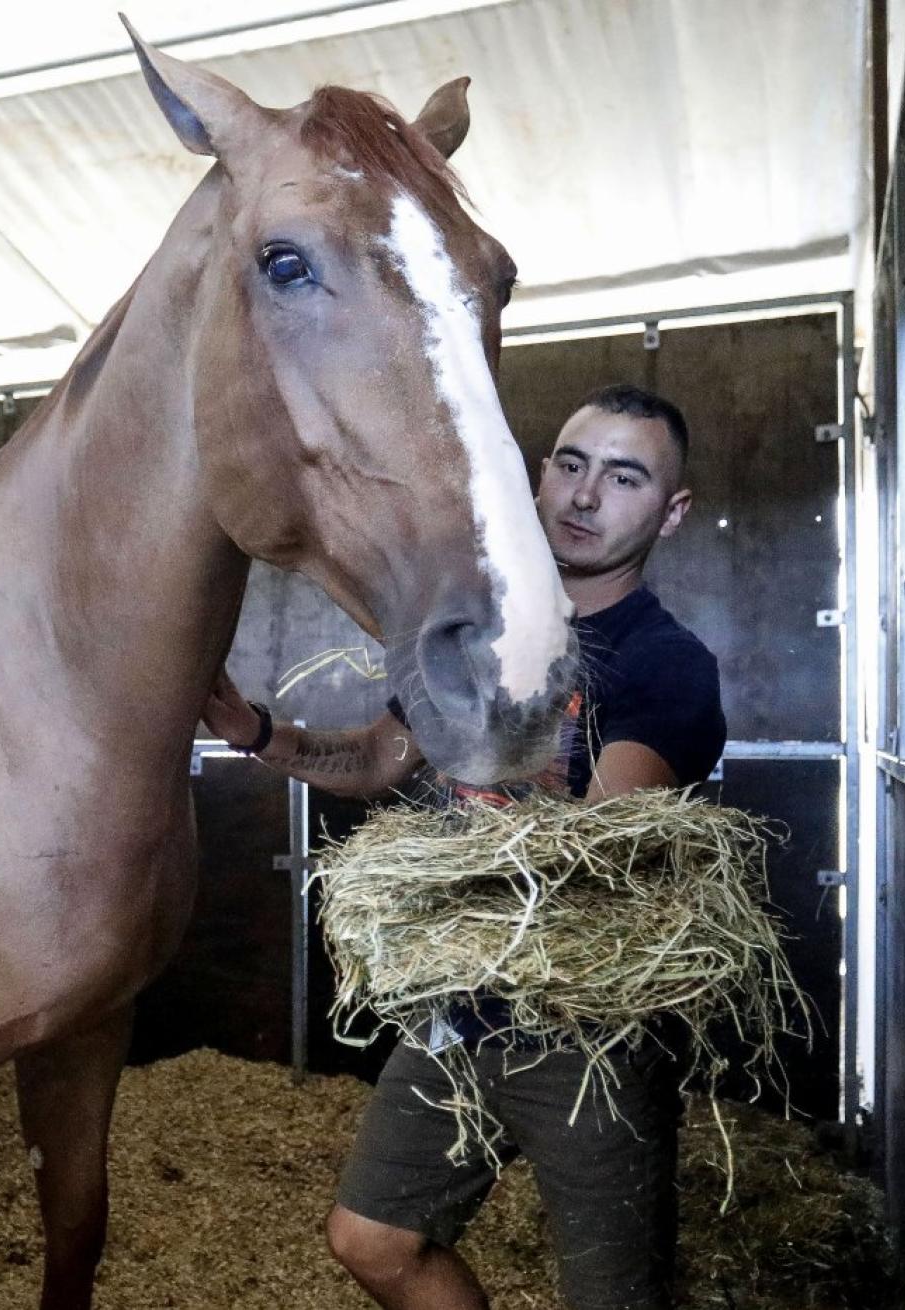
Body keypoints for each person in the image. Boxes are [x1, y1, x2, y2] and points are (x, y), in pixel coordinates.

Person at [204, 383, 726, 1310]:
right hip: (461, 1011)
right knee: (372, 1238)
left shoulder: (664, 663)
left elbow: (596, 835)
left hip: (587, 1029)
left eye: (625, 476)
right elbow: (377, 758)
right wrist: (256, 732)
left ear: (672, 511)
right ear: (539, 476)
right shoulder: (471, 635)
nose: (584, 495)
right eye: (570, 464)